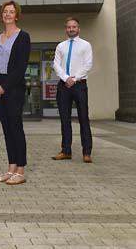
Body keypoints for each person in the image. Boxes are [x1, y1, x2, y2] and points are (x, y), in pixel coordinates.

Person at [0, 0, 31, 185]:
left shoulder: (23, 37)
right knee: (6, 128)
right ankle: (11, 167)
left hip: (12, 86)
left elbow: (20, 68)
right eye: (5, 12)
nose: (8, 14)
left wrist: (4, 87)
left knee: (15, 126)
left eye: (11, 12)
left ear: (17, 15)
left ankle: (21, 169)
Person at [51, 17, 94, 163]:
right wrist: (66, 78)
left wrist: (74, 79)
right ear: (66, 29)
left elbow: (88, 65)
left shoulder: (86, 45)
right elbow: (56, 65)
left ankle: (87, 152)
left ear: (78, 28)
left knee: (83, 118)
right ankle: (66, 151)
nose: (71, 29)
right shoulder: (60, 46)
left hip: (80, 85)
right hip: (64, 86)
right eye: (69, 27)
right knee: (65, 119)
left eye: (74, 27)